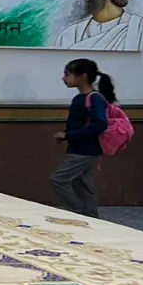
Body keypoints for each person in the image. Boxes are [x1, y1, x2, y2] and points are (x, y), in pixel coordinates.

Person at [51, 59, 115, 218]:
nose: (63, 78)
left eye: (67, 74)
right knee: (83, 185)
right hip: (80, 149)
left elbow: (99, 125)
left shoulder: (95, 98)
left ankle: (79, 211)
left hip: (86, 150)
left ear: (82, 76)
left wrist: (68, 135)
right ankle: (91, 217)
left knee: (58, 179)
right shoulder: (80, 98)